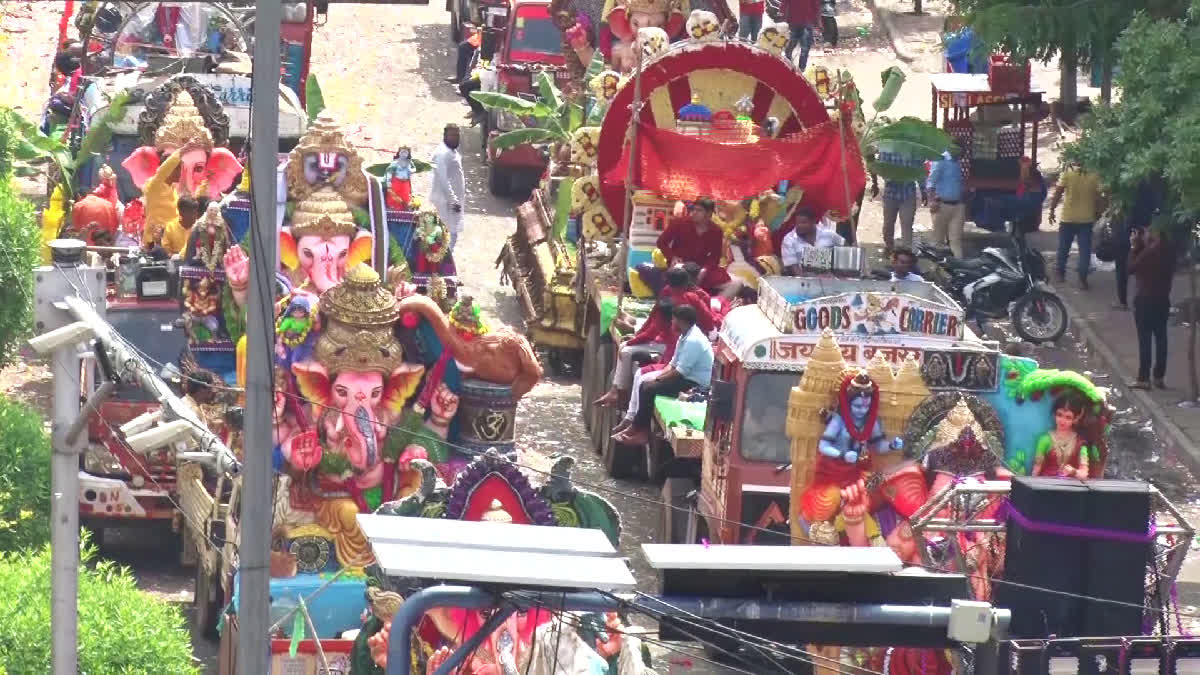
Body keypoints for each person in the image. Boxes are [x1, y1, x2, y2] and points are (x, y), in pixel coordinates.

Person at [613, 304, 713, 446]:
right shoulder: (684, 336)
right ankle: (636, 427)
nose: (671, 322)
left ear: (681, 321)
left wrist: (659, 379)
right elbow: (672, 364)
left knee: (649, 389)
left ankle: (642, 432)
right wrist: (656, 377)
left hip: (693, 382)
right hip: (684, 377)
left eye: (674, 320)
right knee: (645, 384)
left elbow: (680, 372)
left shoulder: (693, 341)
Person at [594, 298, 674, 407]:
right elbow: (648, 328)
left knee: (626, 351)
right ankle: (615, 390)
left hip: (664, 346)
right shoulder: (662, 311)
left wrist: (629, 342)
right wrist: (635, 337)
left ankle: (620, 393)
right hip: (659, 343)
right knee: (624, 347)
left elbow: (649, 334)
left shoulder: (668, 319)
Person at [1129, 227, 1175, 389]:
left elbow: (1130, 268)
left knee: (1145, 340)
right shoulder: (1169, 252)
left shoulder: (1148, 253)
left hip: (1144, 301)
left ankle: (1143, 378)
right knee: (1161, 338)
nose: (1144, 234)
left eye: (1147, 231)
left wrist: (1135, 247)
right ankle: (1159, 376)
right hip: (1163, 300)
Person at [655, 197, 731, 294]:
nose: (694, 213)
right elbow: (661, 242)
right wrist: (672, 257)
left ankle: (715, 306)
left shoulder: (716, 231)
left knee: (734, 284)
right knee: (678, 277)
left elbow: (715, 257)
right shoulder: (679, 223)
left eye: (699, 210)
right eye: (693, 209)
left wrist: (705, 269)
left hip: (700, 267)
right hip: (680, 264)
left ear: (709, 214)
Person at [1049, 163, 1105, 290]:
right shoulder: (1094, 174)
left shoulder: (1069, 172)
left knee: (1064, 247)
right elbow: (1099, 196)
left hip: (1068, 217)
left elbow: (1058, 192)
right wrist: (1099, 212)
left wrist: (1052, 209)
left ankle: (1060, 273)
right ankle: (1082, 280)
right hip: (1086, 219)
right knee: (1084, 251)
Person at [1113, 177, 1163, 310]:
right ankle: (1147, 299)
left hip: (1127, 233)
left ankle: (1122, 302)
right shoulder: (1151, 187)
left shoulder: (1124, 189)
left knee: (1123, 268)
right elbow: (1156, 207)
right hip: (1145, 231)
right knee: (1146, 267)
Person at [874, 152, 928, 253]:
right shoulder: (887, 150)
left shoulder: (913, 150)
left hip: (908, 193)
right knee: (888, 225)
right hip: (891, 192)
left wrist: (923, 190)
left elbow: (920, 170)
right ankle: (889, 247)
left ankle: (906, 253)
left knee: (907, 224)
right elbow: (882, 169)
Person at [430, 124, 466, 250]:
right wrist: (453, 200)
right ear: (445, 136)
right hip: (445, 202)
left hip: (451, 201)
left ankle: (444, 263)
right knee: (446, 236)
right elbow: (443, 179)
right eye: (452, 135)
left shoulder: (451, 151)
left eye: (457, 135)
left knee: (450, 235)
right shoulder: (442, 154)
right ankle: (443, 264)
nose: (455, 138)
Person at [927, 149, 967, 258]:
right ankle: (938, 270)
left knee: (956, 240)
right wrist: (932, 201)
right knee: (938, 241)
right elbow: (931, 182)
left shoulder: (957, 161)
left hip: (958, 205)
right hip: (941, 204)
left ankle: (957, 269)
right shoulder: (940, 160)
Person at [780, 207, 844, 275]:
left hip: (831, 281)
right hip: (804, 283)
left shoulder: (828, 234)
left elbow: (846, 249)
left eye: (803, 222)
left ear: (813, 221)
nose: (799, 226)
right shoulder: (789, 240)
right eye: (797, 223)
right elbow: (795, 270)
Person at [782, 0, 820, 69]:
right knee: (794, 46)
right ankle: (789, 66)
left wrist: (818, 22)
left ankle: (800, 68)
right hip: (796, 21)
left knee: (801, 47)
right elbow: (784, 4)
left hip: (803, 21)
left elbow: (816, 6)